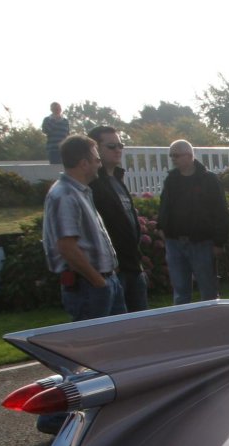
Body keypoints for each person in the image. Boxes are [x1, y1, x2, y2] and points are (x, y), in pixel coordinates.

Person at [38, 134, 123, 433]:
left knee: (109, 352)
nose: (100, 161)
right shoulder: (64, 195)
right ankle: (53, 417)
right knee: (86, 358)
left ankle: (99, 409)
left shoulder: (79, 191)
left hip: (103, 282)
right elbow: (67, 247)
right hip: (90, 287)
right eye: (96, 156)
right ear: (84, 161)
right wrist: (99, 282)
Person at [158, 139, 229, 303]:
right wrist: (162, 226)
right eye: (171, 156)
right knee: (180, 291)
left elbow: (220, 211)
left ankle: (211, 323)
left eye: (176, 155)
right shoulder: (172, 180)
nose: (173, 159)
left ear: (189, 156)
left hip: (201, 243)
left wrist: (219, 242)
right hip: (174, 243)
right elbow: (165, 204)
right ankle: (183, 324)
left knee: (208, 291)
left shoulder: (208, 179)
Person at [87, 126, 147, 312]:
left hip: (133, 266)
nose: (118, 150)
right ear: (95, 150)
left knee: (141, 326)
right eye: (111, 146)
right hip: (114, 270)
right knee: (119, 329)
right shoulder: (93, 184)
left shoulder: (117, 179)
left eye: (120, 145)